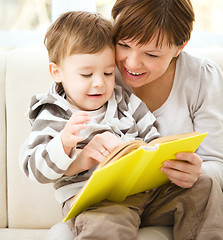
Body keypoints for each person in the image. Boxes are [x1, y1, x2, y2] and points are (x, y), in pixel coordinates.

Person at [45, 0, 223, 239]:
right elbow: (46, 152)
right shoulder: (97, 71)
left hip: (158, 196)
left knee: (207, 184)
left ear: (180, 47)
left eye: (151, 53)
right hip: (105, 201)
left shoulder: (202, 77)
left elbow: (216, 163)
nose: (131, 63)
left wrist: (196, 171)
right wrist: (80, 157)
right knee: (100, 221)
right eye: (124, 44)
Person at [19, 10, 160, 239]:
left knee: (201, 189)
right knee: (109, 224)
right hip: (91, 199)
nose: (99, 83)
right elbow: (36, 170)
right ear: (57, 72)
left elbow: (153, 137)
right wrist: (64, 144)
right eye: (86, 74)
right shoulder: (53, 113)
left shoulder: (124, 101)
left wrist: (154, 155)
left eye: (108, 72)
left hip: (142, 192)